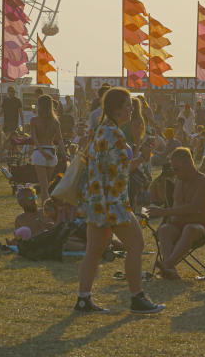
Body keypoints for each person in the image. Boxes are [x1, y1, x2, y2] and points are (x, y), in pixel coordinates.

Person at [75, 87, 163, 314]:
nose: (131, 110)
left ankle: (83, 298)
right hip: (113, 200)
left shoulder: (99, 130)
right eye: (127, 106)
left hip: (96, 199)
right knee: (136, 245)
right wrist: (143, 156)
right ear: (116, 109)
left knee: (93, 250)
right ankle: (137, 297)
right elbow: (119, 169)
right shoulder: (114, 134)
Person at [148, 147, 205, 279]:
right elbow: (176, 208)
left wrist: (164, 212)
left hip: (199, 227)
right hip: (177, 226)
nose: (174, 172)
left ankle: (167, 264)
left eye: (176, 169)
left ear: (188, 163)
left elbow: (193, 208)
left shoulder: (204, 181)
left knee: (190, 228)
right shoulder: (178, 181)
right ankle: (171, 271)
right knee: (165, 229)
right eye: (173, 169)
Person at [29, 94, 64, 208]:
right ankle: (46, 208)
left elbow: (34, 139)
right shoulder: (55, 121)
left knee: (44, 187)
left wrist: (42, 152)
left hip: (40, 153)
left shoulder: (34, 120)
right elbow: (60, 140)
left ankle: (44, 210)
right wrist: (63, 154)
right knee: (47, 186)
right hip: (51, 153)